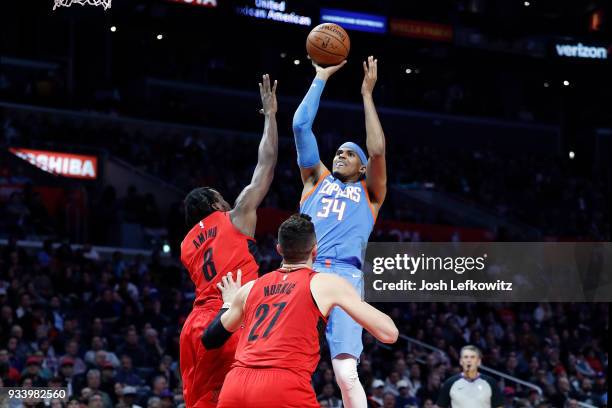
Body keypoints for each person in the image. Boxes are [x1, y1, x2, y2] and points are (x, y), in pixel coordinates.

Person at [202, 214, 398, 407]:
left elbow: (210, 338)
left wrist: (228, 302)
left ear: (279, 249)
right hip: (283, 385)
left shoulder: (250, 288)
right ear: (315, 250)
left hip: (235, 386)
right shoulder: (325, 283)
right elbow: (389, 334)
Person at [292, 55, 387, 407]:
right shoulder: (315, 179)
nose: (340, 154)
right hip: (306, 273)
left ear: (362, 167)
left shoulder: (371, 193)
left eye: (349, 153)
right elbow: (301, 127)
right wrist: (320, 77)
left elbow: (377, 151)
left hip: (347, 278)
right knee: (288, 363)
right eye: (338, 151)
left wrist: (366, 94)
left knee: (346, 374)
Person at [179, 74, 278, 408]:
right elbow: (266, 165)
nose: (225, 201)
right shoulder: (234, 218)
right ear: (213, 205)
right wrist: (270, 116)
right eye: (220, 198)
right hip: (227, 318)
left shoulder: (185, 246)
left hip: (192, 328)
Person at [436, 345, 504, 408]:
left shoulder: (490, 382)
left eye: (472, 357)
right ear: (461, 361)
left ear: (479, 361)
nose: (469, 360)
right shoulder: (450, 383)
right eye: (465, 357)